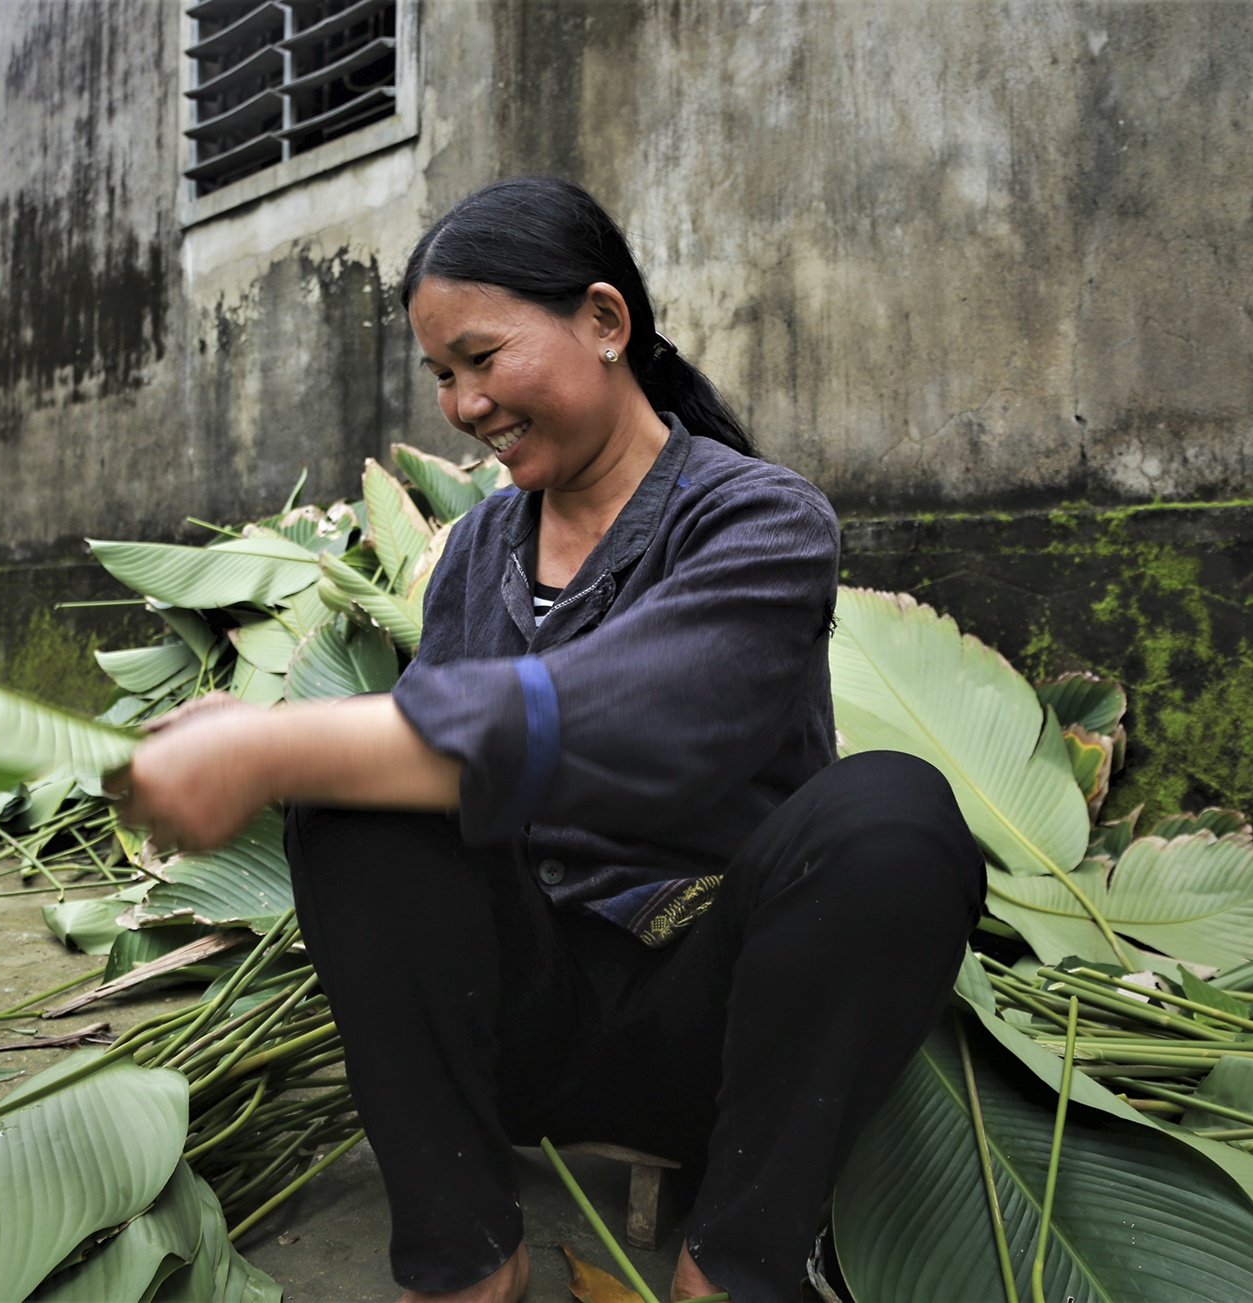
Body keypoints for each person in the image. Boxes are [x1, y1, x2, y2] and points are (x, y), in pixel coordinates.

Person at [117, 177, 983, 1303]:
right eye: (442, 375)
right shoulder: (479, 552)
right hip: (526, 1022)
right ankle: (462, 1259)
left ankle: (739, 1261)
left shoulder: (759, 518)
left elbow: (653, 716)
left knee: (896, 815)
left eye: (483, 357)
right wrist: (302, 759)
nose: (465, 402)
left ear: (605, 322)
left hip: (722, 1031)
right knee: (360, 797)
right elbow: (424, 800)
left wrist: (273, 745)